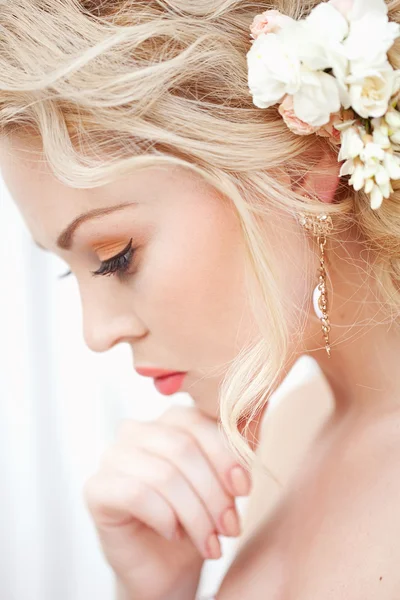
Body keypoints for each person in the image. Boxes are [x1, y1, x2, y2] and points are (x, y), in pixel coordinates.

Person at [1, 0, 400, 597]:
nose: (97, 333)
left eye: (116, 257)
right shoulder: (282, 442)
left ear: (302, 170)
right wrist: (155, 590)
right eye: (70, 273)